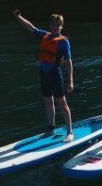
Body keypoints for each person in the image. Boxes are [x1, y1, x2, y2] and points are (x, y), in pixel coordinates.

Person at [13, 11, 74, 142]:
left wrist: (70, 81)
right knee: (48, 101)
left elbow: (69, 62)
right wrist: (19, 17)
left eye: (58, 25)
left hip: (55, 74)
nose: (55, 27)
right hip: (44, 73)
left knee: (62, 103)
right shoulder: (45, 36)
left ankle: (69, 132)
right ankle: (51, 128)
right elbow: (31, 28)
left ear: (61, 26)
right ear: (50, 25)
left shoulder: (63, 42)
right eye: (53, 25)